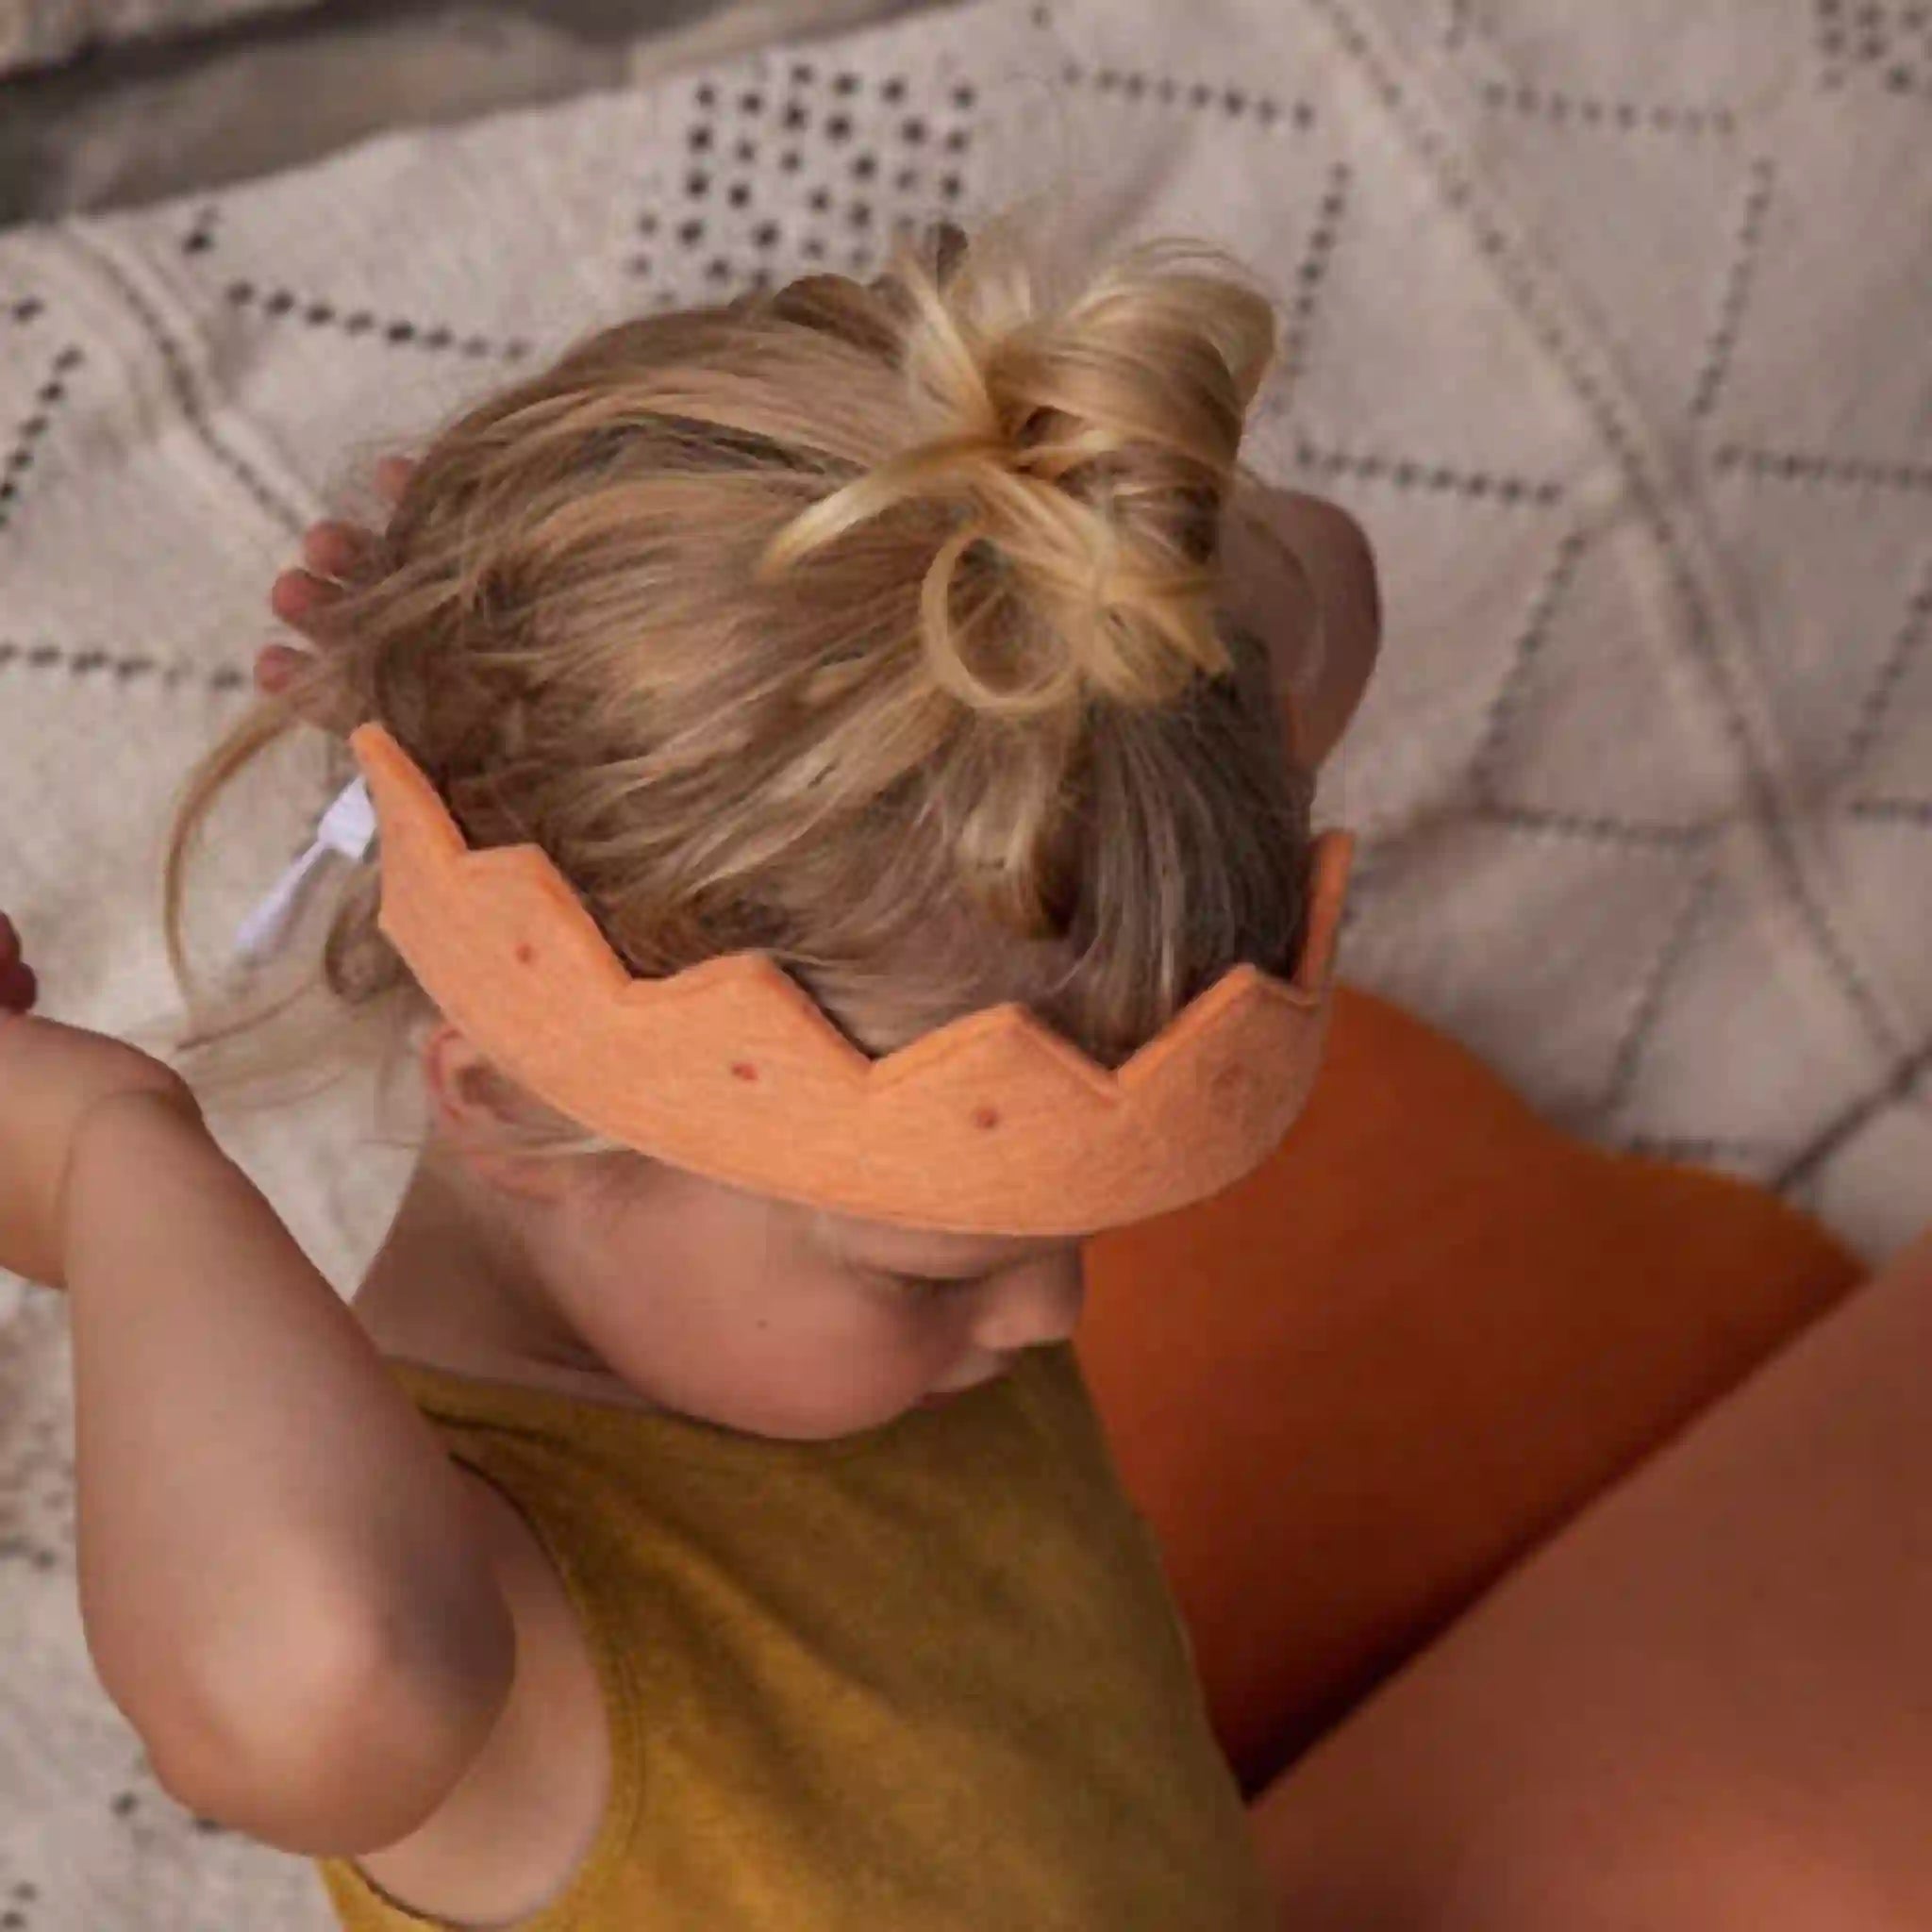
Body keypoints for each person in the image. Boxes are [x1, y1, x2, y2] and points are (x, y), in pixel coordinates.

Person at [0, 222, 1381, 1930]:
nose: (1054, 1312)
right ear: (508, 1100)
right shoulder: (498, 1619)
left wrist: (1008, 559)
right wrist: (108, 1156)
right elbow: (308, 1678)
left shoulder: (867, 1315)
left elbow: (1318, 595)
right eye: (932, 1260)